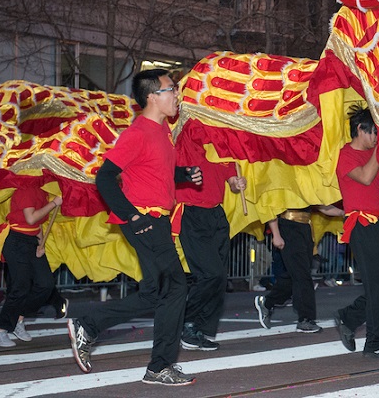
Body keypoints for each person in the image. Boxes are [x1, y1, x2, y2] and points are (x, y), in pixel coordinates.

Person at [67, 69, 200, 386]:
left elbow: (154, 176)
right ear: (153, 96)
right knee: (176, 287)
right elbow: (104, 178)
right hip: (144, 220)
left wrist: (184, 175)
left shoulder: (163, 132)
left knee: (155, 293)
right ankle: (159, 367)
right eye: (171, 89)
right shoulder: (138, 132)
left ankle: (89, 323)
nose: (177, 94)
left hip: (154, 219)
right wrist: (133, 217)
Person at [333, 106, 379, 359]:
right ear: (360, 130)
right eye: (374, 132)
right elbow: (364, 177)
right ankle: (377, 343)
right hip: (361, 225)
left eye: (378, 134)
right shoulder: (346, 155)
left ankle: (349, 317)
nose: (376, 137)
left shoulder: (373, 153)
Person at [176, 126, 247, 351]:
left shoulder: (224, 145)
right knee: (210, 273)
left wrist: (238, 184)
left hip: (216, 214)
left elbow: (231, 182)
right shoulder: (188, 136)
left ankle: (200, 329)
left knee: (218, 277)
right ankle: (185, 322)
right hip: (192, 213)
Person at [0, 186, 68, 348]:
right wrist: (54, 203)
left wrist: (40, 243)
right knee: (20, 287)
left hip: (32, 240)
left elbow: (35, 224)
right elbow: (30, 218)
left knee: (46, 284)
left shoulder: (41, 189)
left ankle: (18, 318)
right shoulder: (26, 188)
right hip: (16, 241)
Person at [254, 204, 343, 333]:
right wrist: (276, 234)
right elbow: (271, 206)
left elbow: (321, 206)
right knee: (302, 275)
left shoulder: (307, 185)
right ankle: (305, 319)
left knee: (295, 274)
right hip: (288, 227)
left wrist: (342, 212)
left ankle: (267, 302)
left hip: (306, 229)